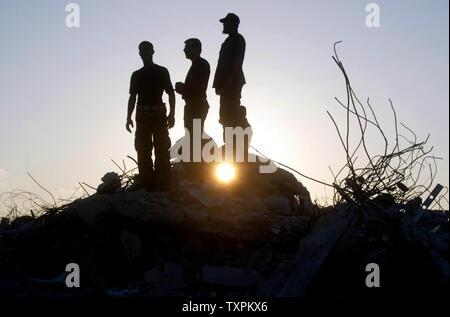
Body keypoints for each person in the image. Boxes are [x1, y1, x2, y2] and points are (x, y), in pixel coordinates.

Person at [126, 41, 175, 190]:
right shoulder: (136, 75)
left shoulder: (162, 71)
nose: (145, 52)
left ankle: (163, 178)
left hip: (158, 112)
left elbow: (171, 93)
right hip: (142, 113)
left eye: (147, 50)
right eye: (142, 50)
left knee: (161, 146)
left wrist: (172, 114)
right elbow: (132, 97)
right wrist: (128, 117)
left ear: (153, 52)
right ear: (139, 53)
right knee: (143, 147)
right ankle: (147, 179)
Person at [213, 13, 251, 163]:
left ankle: (236, 148)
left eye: (227, 22)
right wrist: (218, 84)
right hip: (226, 84)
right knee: (225, 115)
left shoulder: (238, 39)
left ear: (234, 23)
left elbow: (237, 61)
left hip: (232, 83)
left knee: (231, 114)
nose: (224, 25)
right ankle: (231, 146)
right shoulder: (228, 41)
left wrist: (229, 81)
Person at [175, 38, 210, 164]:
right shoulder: (197, 65)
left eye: (187, 47)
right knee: (192, 136)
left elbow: (200, 87)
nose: (184, 50)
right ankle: (195, 165)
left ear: (196, 49)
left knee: (194, 137)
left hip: (197, 105)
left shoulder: (201, 64)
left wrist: (183, 87)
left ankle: (197, 167)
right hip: (193, 104)